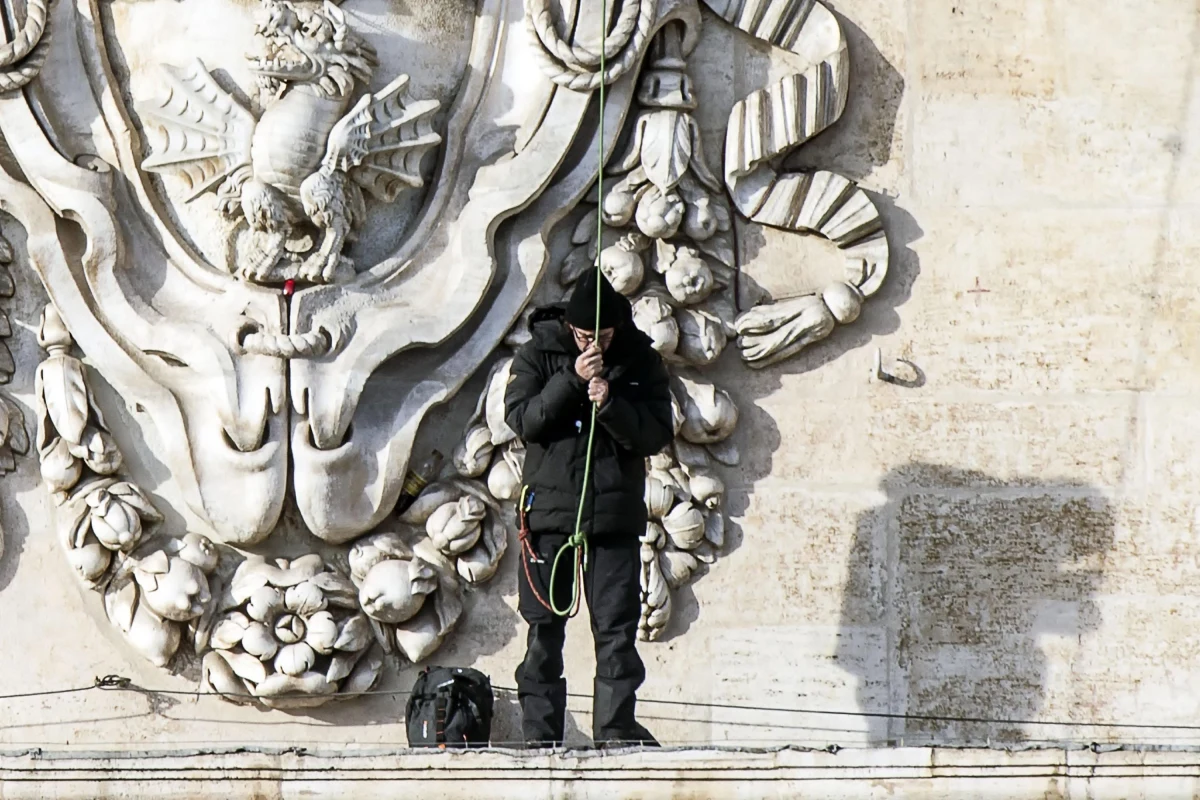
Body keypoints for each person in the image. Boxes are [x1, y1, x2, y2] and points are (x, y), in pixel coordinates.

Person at [504, 269, 674, 748]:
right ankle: (540, 737)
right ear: (570, 329)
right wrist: (571, 381)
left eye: (600, 335)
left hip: (614, 517)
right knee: (543, 631)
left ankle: (615, 730)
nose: (591, 343)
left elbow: (656, 433)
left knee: (616, 629)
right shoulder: (537, 353)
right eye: (582, 336)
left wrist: (612, 403)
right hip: (548, 518)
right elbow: (524, 419)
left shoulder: (640, 361)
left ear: (615, 328)